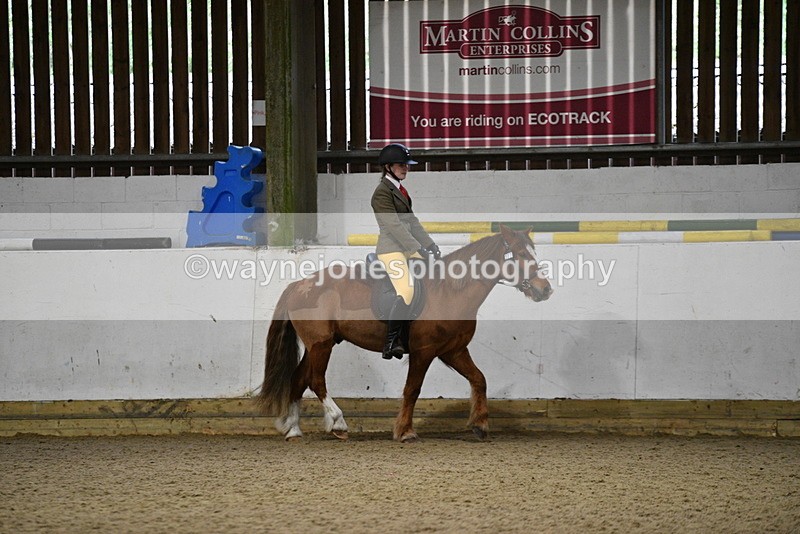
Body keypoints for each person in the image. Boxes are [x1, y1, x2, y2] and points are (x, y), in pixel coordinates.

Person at [371, 143, 441, 360]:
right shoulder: (382, 193)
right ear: (388, 166)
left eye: (407, 165)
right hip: (391, 250)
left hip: (408, 248)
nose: (406, 169)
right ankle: (391, 341)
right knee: (407, 289)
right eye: (402, 165)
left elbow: (412, 223)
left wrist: (430, 244)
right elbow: (394, 226)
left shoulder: (401, 190)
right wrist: (417, 248)